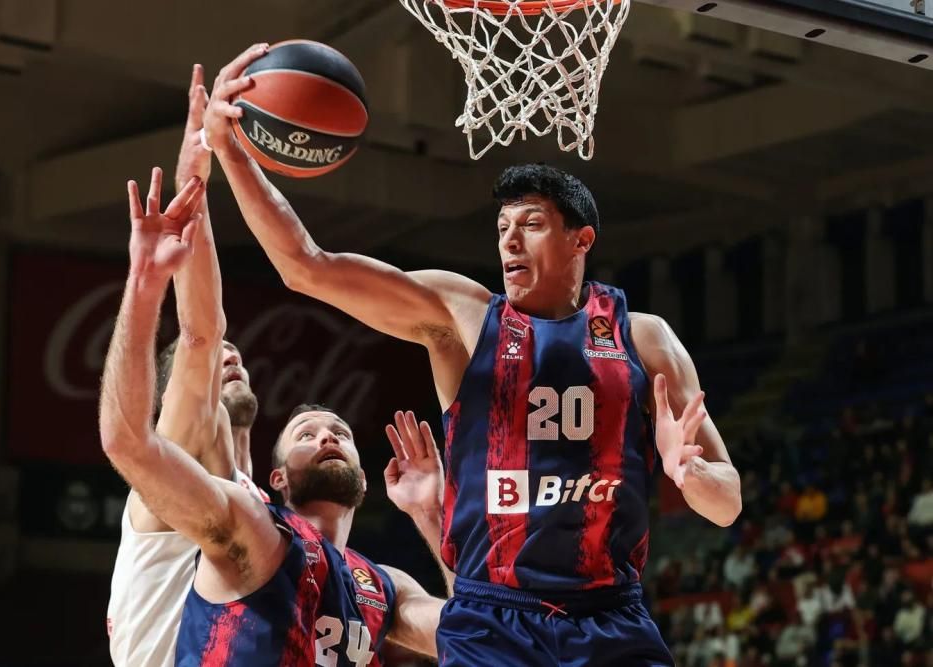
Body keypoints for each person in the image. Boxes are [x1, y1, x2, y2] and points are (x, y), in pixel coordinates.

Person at [203, 45, 742, 666]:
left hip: (609, 616)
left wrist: (690, 472)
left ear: (581, 239)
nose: (509, 240)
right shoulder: (462, 318)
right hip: (493, 619)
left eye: (531, 224)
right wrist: (231, 152)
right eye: (502, 228)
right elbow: (307, 267)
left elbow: (726, 505)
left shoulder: (644, 339)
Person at [99, 162, 445, 665]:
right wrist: (193, 190)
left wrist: (433, 516)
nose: (327, 437)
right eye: (307, 431)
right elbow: (199, 335)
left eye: (340, 431)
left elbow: (480, 638)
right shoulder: (225, 488)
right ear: (282, 475)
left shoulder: (369, 578)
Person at [106, 61, 262, 666]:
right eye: (219, 361)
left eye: (238, 357)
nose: (231, 355)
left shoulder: (254, 499)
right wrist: (195, 177)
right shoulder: (180, 454)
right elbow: (200, 333)